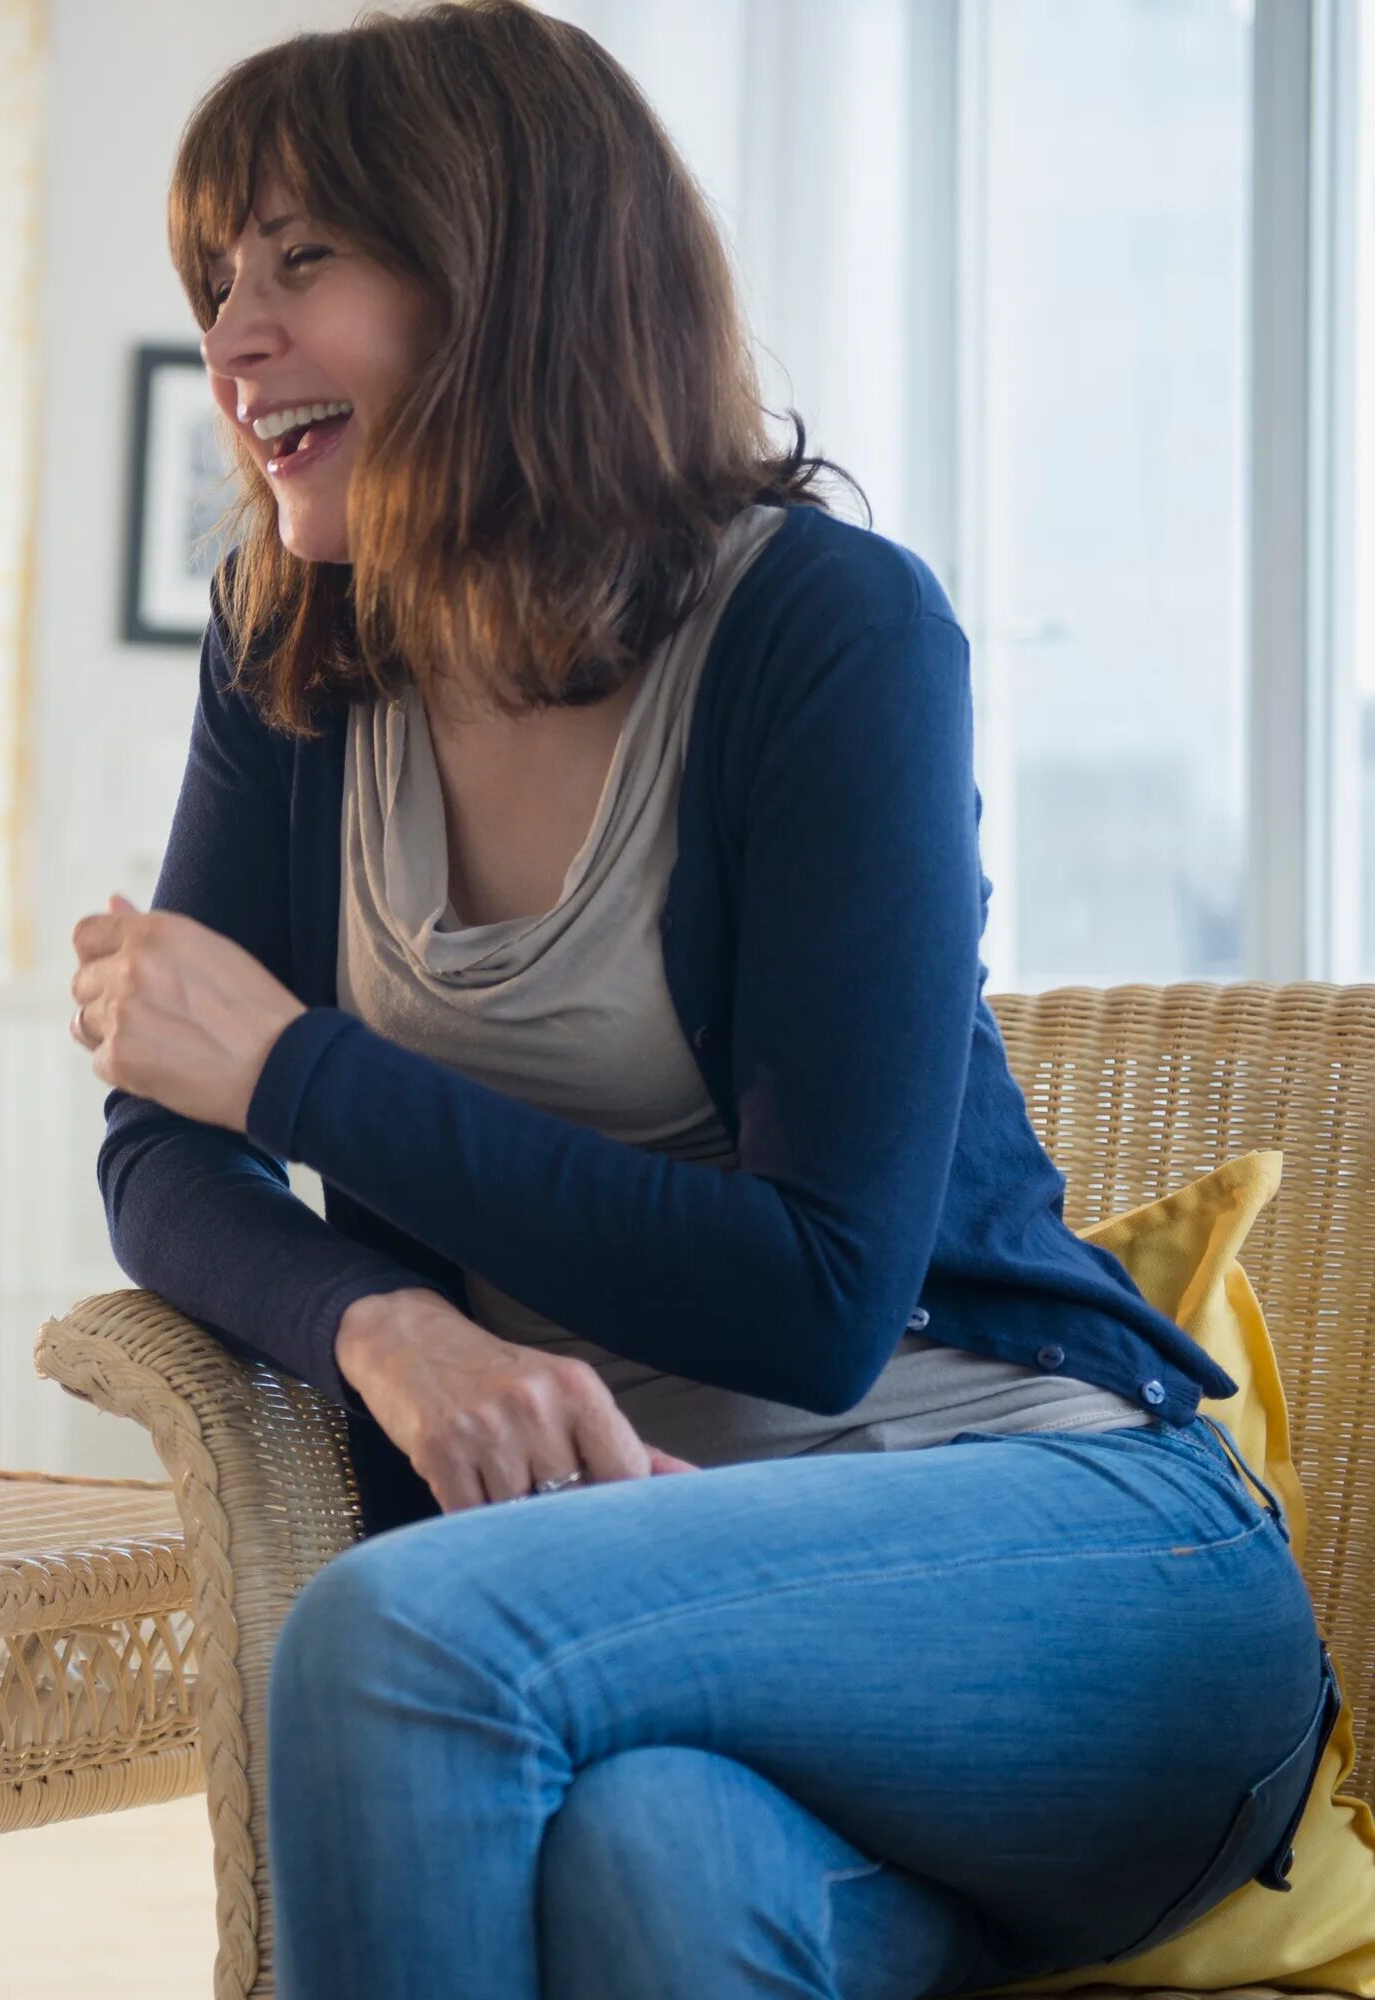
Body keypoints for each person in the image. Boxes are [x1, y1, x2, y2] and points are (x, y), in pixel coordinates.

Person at [68, 7, 1334, 1996]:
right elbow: (163, 1144)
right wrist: (380, 1324)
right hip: (661, 1633)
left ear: (504, 263)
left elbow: (819, 1296)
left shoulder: (824, 628)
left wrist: (302, 1070)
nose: (233, 339)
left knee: (404, 1631)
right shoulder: (298, 654)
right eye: (217, 281)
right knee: (653, 1877)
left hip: (1073, 1563)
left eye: (303, 261)